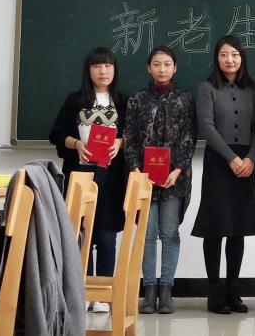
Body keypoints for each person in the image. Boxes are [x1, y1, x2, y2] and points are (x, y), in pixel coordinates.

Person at [49, 47, 127, 314]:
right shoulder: (75, 100)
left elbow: (135, 134)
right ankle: (80, 292)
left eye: (108, 66)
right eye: (97, 66)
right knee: (81, 237)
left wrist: (120, 142)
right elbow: (56, 134)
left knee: (106, 237)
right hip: (80, 176)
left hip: (111, 178)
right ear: (88, 70)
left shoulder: (124, 101)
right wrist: (76, 144)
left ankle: (103, 295)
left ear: (114, 70)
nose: (103, 71)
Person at [191, 36, 255, 314]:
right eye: (224, 55)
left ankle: (234, 291)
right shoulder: (207, 88)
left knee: (238, 227)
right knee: (215, 226)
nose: (230, 60)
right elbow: (206, 127)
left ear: (242, 58)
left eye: (234, 55)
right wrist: (231, 158)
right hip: (219, 161)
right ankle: (214, 293)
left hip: (246, 162)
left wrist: (251, 158)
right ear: (217, 59)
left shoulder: (253, 90)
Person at [124, 46, 197, 315]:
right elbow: (129, 137)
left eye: (167, 64)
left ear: (175, 68)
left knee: (169, 233)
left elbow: (190, 136)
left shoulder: (185, 98)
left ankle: (167, 289)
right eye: (157, 64)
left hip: (174, 179)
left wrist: (177, 169)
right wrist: (135, 169)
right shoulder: (137, 99)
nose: (162, 69)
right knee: (147, 235)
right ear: (149, 68)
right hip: (143, 178)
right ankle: (149, 290)